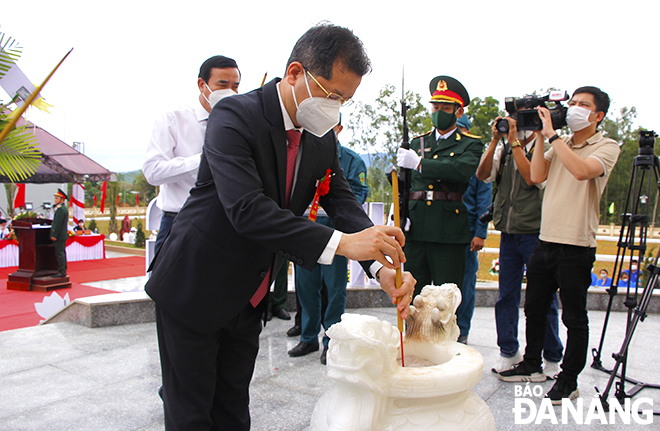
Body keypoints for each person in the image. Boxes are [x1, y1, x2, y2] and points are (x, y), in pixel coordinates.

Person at [145, 23, 416, 431]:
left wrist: (381, 267)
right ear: (294, 73)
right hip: (195, 286)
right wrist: (344, 244)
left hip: (248, 294)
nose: (335, 107)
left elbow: (339, 197)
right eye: (331, 94)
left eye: (345, 100)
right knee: (191, 414)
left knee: (233, 410)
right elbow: (247, 209)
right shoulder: (235, 115)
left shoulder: (320, 134)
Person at [498, 86, 620, 405]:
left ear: (598, 115)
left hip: (576, 244)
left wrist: (551, 136)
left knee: (573, 317)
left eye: (583, 105)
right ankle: (531, 364)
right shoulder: (558, 143)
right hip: (546, 240)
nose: (575, 108)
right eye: (573, 103)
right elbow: (536, 175)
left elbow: (582, 172)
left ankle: (569, 379)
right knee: (535, 308)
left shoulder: (606, 146)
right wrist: (540, 136)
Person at [476, 105, 564, 377]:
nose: (513, 123)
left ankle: (551, 357)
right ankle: (508, 350)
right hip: (509, 232)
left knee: (544, 299)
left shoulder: (543, 148)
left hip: (536, 233)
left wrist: (515, 143)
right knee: (506, 296)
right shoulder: (504, 149)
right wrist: (494, 141)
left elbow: (532, 177)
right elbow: (482, 174)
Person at [289, 118, 370, 363]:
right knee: (306, 286)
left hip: (336, 234)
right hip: (306, 230)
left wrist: (327, 194)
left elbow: (358, 195)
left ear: (339, 129)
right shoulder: (303, 154)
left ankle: (332, 341)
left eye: (330, 127)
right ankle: (308, 337)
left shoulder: (351, 159)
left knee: (335, 289)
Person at [143, 55, 241, 255]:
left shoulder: (240, 123)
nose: (229, 92)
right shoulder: (173, 119)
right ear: (202, 84)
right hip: (180, 222)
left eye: (235, 86)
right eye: (222, 84)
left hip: (227, 225)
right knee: (170, 286)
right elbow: (153, 172)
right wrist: (206, 159)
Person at [396, 75, 483, 298]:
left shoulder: (470, 144)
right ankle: (413, 334)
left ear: (459, 112)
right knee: (414, 293)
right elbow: (405, 185)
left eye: (446, 108)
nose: (438, 112)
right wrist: (397, 214)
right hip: (415, 227)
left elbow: (459, 171)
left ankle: (446, 335)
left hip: (448, 228)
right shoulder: (417, 143)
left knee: (445, 297)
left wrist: (419, 163)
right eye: (435, 106)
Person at [456, 115, 491, 345]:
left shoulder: (477, 159)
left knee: (465, 284)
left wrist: (480, 231)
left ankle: (462, 332)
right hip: (441, 229)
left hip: (467, 231)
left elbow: (484, 200)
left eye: (461, 130)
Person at [50, 189, 69, 278]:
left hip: (59, 236)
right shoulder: (62, 208)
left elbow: (58, 224)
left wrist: (54, 235)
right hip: (61, 235)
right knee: (61, 253)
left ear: (62, 199)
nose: (55, 200)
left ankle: (61, 271)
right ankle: (62, 270)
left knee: (59, 254)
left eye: (57, 198)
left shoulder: (61, 209)